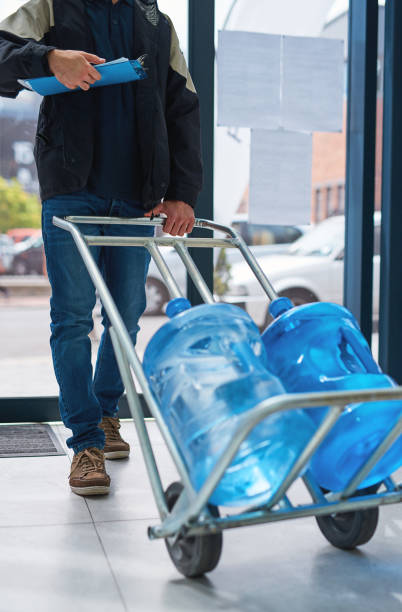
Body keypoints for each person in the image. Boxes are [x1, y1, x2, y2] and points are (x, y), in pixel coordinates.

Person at [0, 0, 202, 496]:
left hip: (137, 193)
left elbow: (183, 106)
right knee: (71, 317)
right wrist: (49, 59)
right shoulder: (50, 6)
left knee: (127, 312)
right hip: (72, 186)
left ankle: (106, 411)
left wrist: (182, 191)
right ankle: (85, 442)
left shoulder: (158, 23)